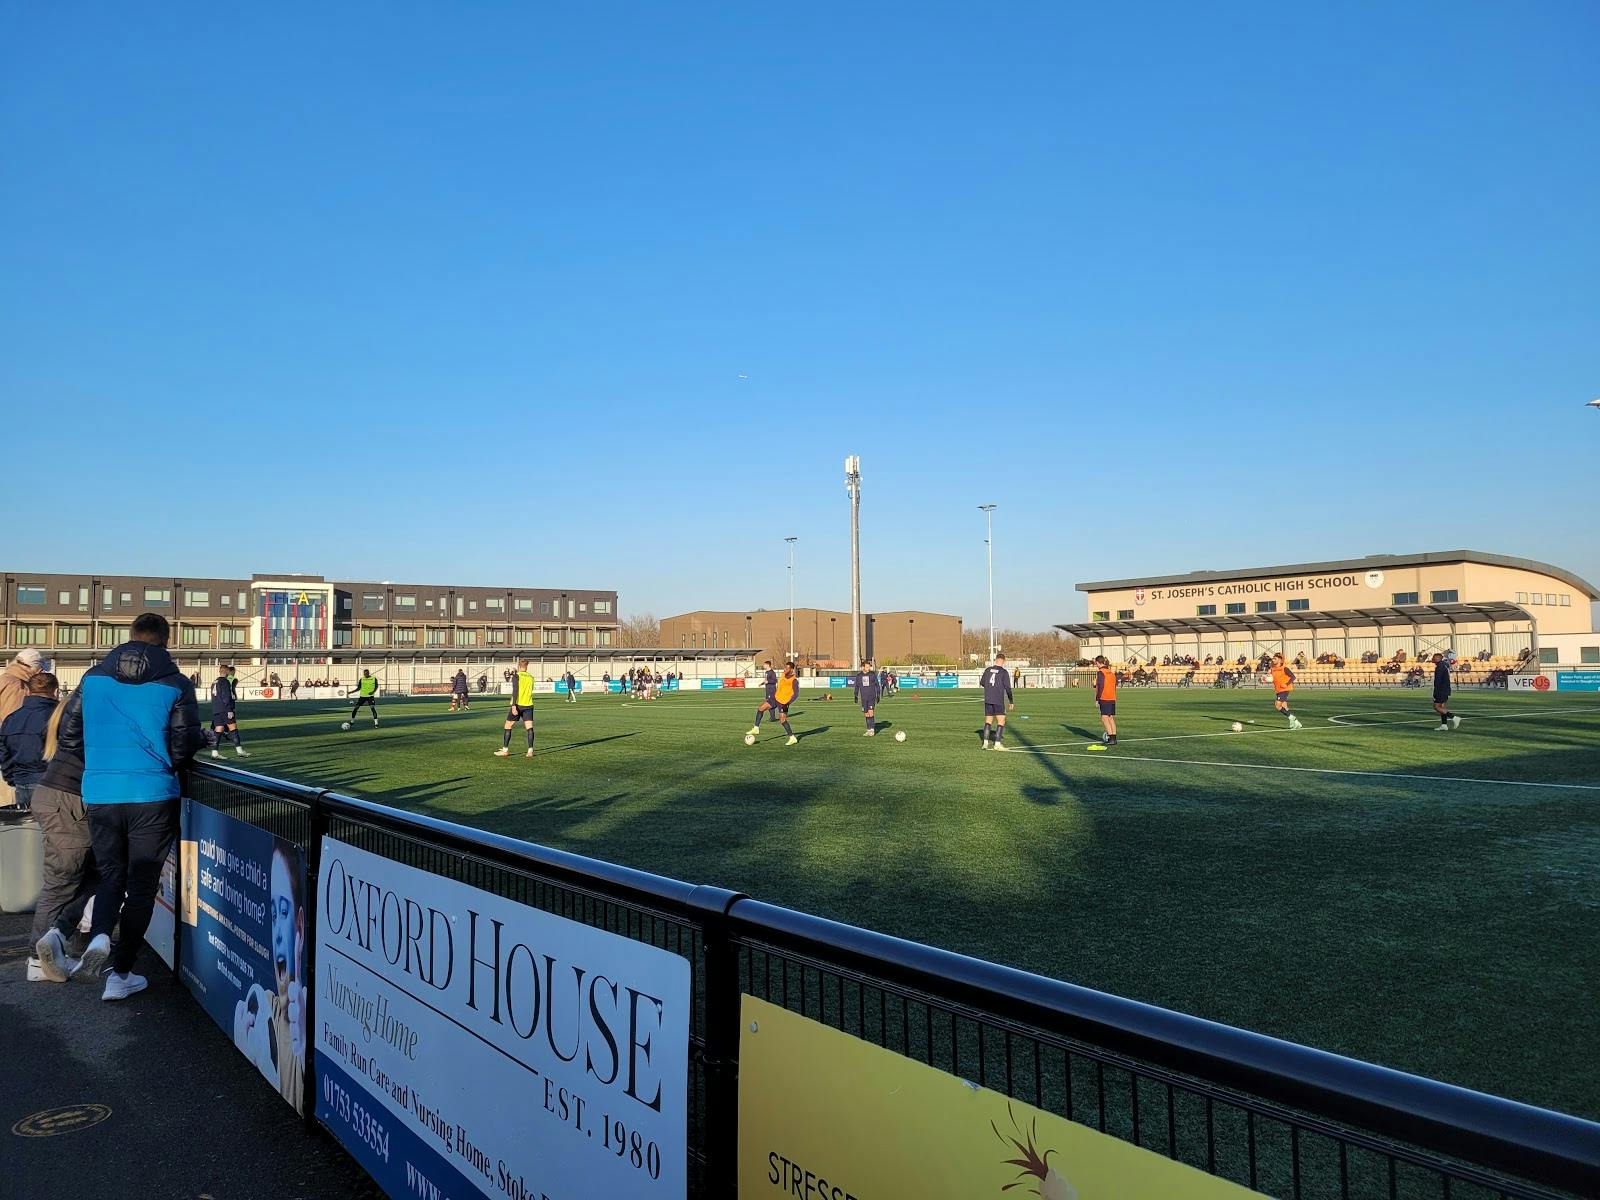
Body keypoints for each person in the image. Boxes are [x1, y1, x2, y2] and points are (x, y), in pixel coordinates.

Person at [70, 613, 201, 1000]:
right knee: (142, 887)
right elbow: (183, 744)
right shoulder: (175, 682)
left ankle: (99, 940)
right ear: (166, 639)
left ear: (130, 637)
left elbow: (69, 736)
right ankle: (120, 972)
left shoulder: (92, 679)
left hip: (101, 792)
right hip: (152, 793)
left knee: (112, 876)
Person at [28, 685, 97, 982]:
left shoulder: (61, 718)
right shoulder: (81, 724)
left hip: (57, 797)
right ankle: (36, 960)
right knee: (62, 882)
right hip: (67, 801)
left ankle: (55, 940)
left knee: (91, 874)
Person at [1, 672, 59, 811]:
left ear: (27, 691)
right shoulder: (58, 716)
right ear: (56, 691)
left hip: (21, 781)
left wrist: (12, 778)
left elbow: (4, 753)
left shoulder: (12, 718)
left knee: (26, 828)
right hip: (51, 784)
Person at [0, 648, 44, 807]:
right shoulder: (17, 686)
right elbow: (16, 727)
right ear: (34, 668)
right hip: (13, 763)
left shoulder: (5, 679)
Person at [496, 658, 536, 758]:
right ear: (527, 666)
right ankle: (530, 750)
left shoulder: (516, 676)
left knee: (508, 725)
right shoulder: (531, 677)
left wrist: (514, 705)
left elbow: (515, 691)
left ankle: (505, 750)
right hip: (529, 705)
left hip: (518, 705)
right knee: (529, 728)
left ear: (519, 666)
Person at [208, 664, 250, 758]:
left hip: (216, 709)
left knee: (218, 730)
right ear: (227, 671)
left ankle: (214, 753)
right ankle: (240, 751)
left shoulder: (214, 682)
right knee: (233, 728)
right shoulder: (225, 681)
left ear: (220, 671)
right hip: (225, 709)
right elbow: (226, 697)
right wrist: (229, 710)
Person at [980, 653, 1014, 749]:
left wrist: (990, 688)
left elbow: (982, 682)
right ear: (1004, 661)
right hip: (998, 699)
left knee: (988, 721)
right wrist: (1011, 701)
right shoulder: (1003, 672)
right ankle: (997, 744)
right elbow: (1008, 688)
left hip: (988, 699)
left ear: (996, 660)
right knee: (1001, 720)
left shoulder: (987, 670)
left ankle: (985, 743)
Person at [746, 660, 782, 739]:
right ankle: (758, 726)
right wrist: (762, 683)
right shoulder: (767, 672)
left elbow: (775, 680)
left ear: (768, 665)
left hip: (772, 695)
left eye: (764, 665)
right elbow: (767, 681)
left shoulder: (772, 672)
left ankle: (756, 728)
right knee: (761, 708)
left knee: (761, 709)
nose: (763, 666)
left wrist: (768, 681)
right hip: (769, 694)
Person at [1269, 653, 1302, 730]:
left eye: (1275, 659)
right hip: (1278, 690)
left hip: (1284, 689)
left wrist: (1286, 684)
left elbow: (1293, 677)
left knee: (1277, 705)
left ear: (1280, 660)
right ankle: (1297, 723)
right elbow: (1271, 678)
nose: (1273, 660)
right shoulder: (1272, 669)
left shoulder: (1284, 668)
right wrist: (1264, 679)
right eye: (1273, 659)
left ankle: (1292, 717)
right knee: (1284, 707)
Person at [1092, 655, 1118, 747]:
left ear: (1098, 663)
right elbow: (1115, 685)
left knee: (1104, 717)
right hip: (1112, 697)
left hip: (1104, 697)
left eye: (1096, 663)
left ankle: (1110, 738)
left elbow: (1100, 686)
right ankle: (1114, 737)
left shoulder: (1100, 672)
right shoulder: (1111, 672)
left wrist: (1097, 699)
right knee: (1110, 717)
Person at [1432, 652, 1461, 732]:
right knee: (1442, 707)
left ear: (1437, 658)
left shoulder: (1440, 666)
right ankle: (1444, 725)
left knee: (1436, 707)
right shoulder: (1444, 665)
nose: (1432, 659)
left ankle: (1454, 718)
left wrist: (1436, 691)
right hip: (1446, 688)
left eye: (1433, 657)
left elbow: (1438, 680)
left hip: (1441, 689)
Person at [854, 658, 881, 736]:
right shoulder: (859, 676)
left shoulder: (872, 675)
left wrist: (878, 695)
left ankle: (872, 730)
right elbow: (857, 686)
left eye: (869, 667)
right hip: (863, 698)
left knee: (871, 712)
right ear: (863, 667)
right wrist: (855, 695)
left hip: (871, 697)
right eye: (867, 667)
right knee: (866, 714)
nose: (868, 668)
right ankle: (868, 729)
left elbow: (877, 685)